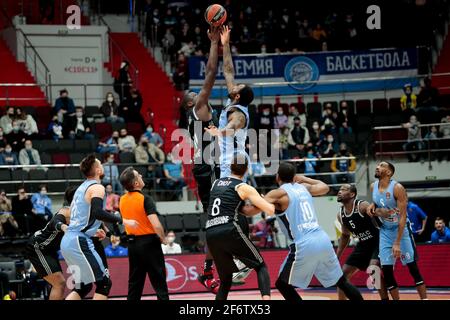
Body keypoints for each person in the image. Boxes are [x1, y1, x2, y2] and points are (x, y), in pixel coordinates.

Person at [262, 162, 363, 301]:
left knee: (282, 284)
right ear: (294, 176)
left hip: (304, 242)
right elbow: (325, 187)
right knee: (341, 281)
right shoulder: (304, 187)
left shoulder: (279, 194)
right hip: (322, 239)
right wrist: (304, 178)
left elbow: (260, 206)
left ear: (277, 177)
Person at [60, 154, 137, 300]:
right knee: (104, 284)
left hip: (69, 240)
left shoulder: (81, 188)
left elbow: (83, 215)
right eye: (100, 163)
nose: (102, 165)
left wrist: (94, 230)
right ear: (96, 169)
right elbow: (97, 212)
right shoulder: (97, 187)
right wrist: (123, 220)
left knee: (83, 287)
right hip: (79, 241)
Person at [181, 26, 222, 293]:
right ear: (189, 104)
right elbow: (210, 73)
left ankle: (209, 270)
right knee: (217, 218)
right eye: (193, 96)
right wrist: (214, 44)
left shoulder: (199, 113)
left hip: (208, 165)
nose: (198, 94)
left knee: (218, 218)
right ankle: (214, 267)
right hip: (206, 168)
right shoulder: (197, 110)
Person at [206, 155, 275, 300]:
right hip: (229, 229)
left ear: (230, 166)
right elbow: (270, 210)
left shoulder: (216, 184)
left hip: (211, 233)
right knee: (260, 266)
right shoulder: (243, 187)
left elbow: (245, 211)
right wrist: (264, 201)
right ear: (247, 169)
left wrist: (257, 206)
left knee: (225, 280)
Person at [368, 161, 427, 300]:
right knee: (386, 271)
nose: (377, 167)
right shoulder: (373, 187)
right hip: (385, 231)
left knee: (413, 268)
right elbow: (377, 204)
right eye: (377, 165)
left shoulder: (397, 188)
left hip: (402, 231)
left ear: (389, 172)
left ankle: (425, 298)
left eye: (382, 165)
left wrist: (397, 242)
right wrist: (373, 207)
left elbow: (403, 217)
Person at [119, 167, 169, 300]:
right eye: (138, 175)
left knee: (135, 284)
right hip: (149, 243)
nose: (141, 175)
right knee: (159, 282)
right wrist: (163, 239)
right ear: (136, 184)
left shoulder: (122, 200)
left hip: (132, 245)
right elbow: (156, 224)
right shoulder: (145, 198)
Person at [336, 184, 388, 300]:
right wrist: (337, 256)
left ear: (352, 194)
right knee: (341, 276)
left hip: (378, 241)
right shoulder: (341, 214)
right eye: (339, 189)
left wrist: (384, 212)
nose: (340, 191)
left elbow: (379, 214)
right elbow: (345, 236)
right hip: (363, 245)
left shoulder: (362, 205)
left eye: (344, 189)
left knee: (373, 269)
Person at [25, 187, 76, 300]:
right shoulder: (65, 211)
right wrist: (63, 227)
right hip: (38, 247)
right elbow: (55, 222)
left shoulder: (78, 212)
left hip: (50, 249)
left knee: (59, 284)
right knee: (59, 283)